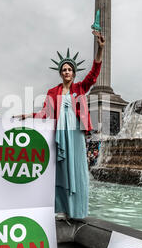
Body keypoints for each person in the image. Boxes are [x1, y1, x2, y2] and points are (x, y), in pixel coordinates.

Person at [20, 29, 105, 220]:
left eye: (69, 69)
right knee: (61, 169)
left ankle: (78, 211)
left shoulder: (80, 88)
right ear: (60, 73)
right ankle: (62, 209)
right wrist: (29, 115)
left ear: (74, 73)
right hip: (60, 133)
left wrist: (100, 49)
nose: (67, 72)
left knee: (78, 169)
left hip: (75, 133)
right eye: (64, 70)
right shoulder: (53, 91)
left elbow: (94, 73)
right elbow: (45, 113)